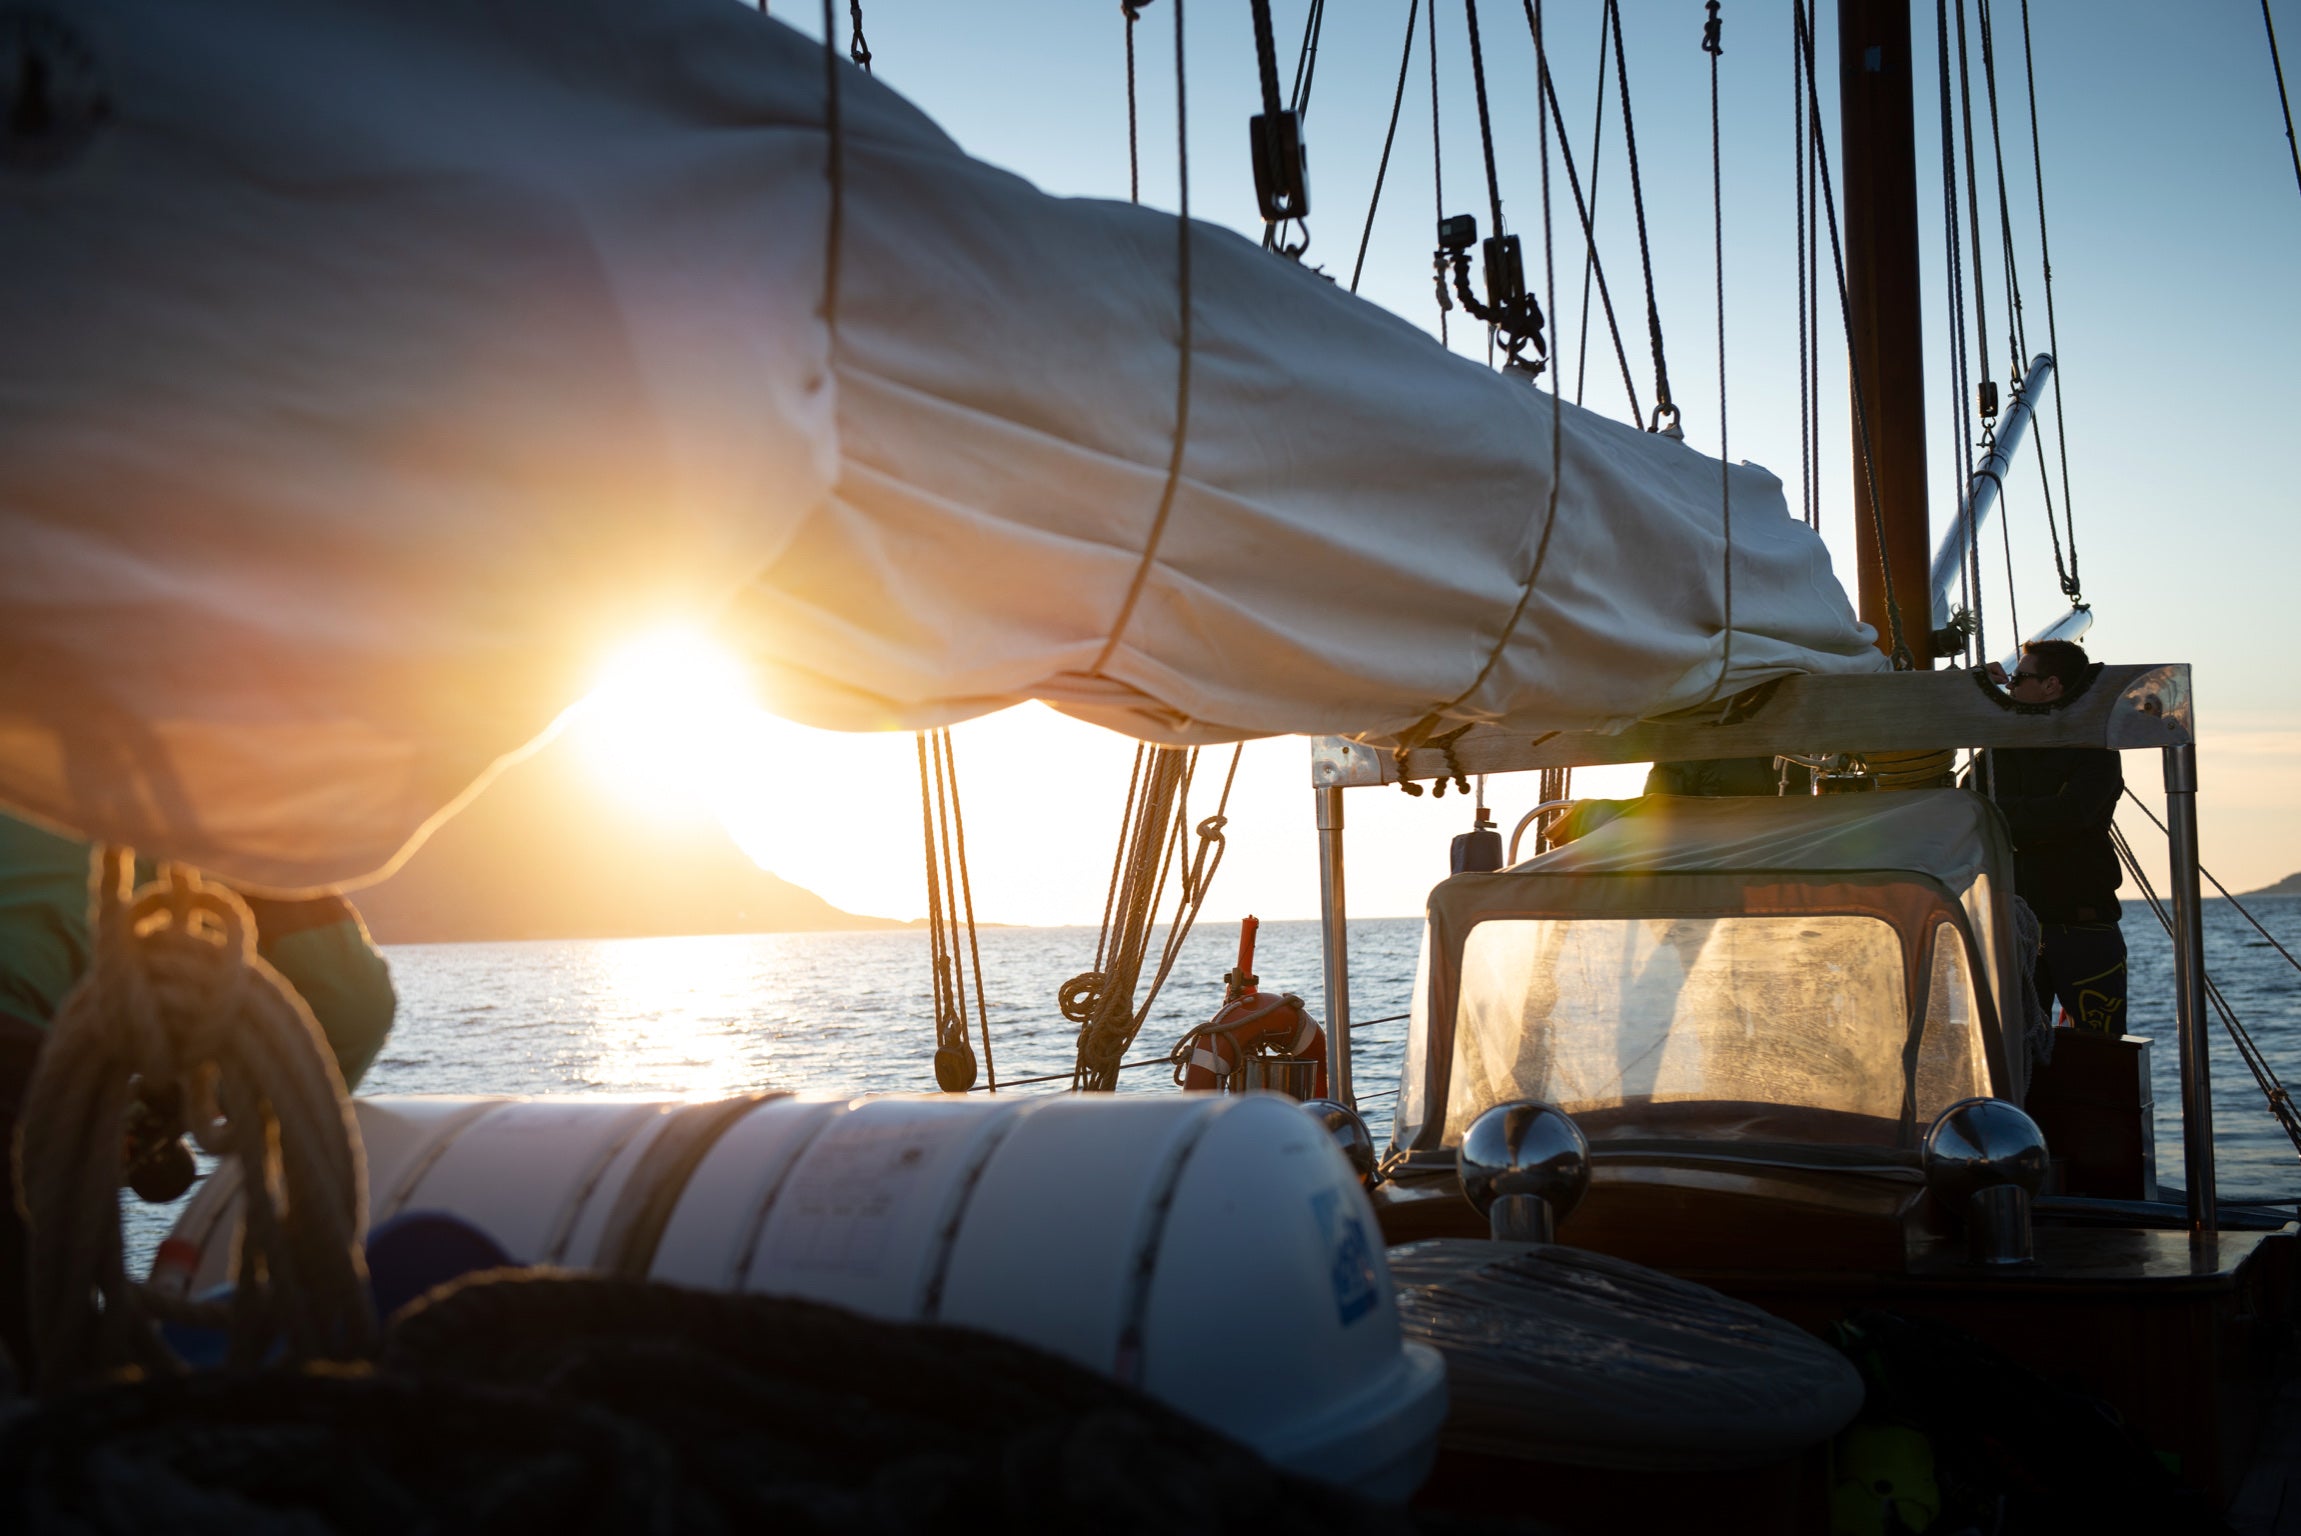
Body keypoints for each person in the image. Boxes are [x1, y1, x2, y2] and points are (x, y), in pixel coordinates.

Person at [0, 813, 396, 1380]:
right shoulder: (206, 797)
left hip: (22, 1062)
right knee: (63, 1404)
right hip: (10, 1069)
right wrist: (181, 1107)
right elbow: (351, 1001)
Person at [1978, 640, 2127, 1037]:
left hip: (2083, 929)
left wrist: (2003, 812)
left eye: (2020, 676)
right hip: (2018, 924)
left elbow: (2070, 816)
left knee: (2100, 1051)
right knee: (2015, 1048)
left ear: (2051, 685)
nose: (2010, 684)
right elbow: (1967, 803)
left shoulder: (2096, 750)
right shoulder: (2000, 747)